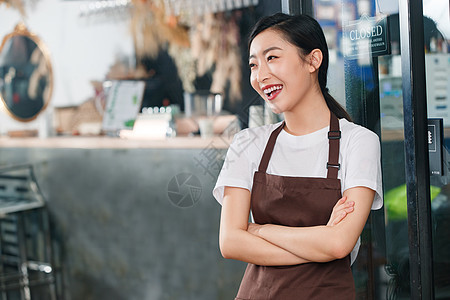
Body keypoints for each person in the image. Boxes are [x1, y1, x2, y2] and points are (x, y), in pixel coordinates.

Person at [213, 13, 383, 299]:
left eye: (272, 57)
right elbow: (230, 242)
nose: (260, 75)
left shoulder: (359, 142)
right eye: (254, 64)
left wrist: (258, 230)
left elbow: (339, 245)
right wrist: (320, 241)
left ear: (313, 60)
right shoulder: (247, 142)